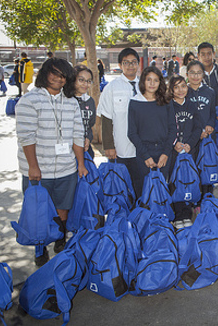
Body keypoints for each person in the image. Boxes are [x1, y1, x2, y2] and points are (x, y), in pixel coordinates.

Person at [15, 58, 87, 266]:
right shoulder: (29, 100)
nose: (58, 78)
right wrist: (33, 166)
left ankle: (59, 238)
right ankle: (39, 248)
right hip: (39, 170)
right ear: (44, 73)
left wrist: (80, 164)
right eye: (54, 73)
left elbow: (77, 134)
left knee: (63, 207)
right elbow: (26, 137)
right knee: (39, 211)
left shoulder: (71, 102)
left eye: (63, 75)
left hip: (66, 167)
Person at [97, 48, 143, 198]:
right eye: (126, 63)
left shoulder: (145, 85)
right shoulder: (112, 88)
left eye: (134, 62)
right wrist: (108, 146)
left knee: (141, 185)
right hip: (121, 148)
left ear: (138, 64)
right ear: (120, 64)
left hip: (143, 148)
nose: (130, 66)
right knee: (122, 186)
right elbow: (106, 117)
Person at [127, 66, 176, 195]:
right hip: (144, 153)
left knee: (162, 190)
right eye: (149, 79)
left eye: (156, 80)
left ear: (160, 82)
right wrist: (146, 156)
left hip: (164, 151)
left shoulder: (166, 101)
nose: (152, 83)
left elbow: (173, 129)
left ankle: (163, 215)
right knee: (146, 191)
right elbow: (132, 133)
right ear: (143, 81)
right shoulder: (135, 102)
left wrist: (165, 153)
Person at [168, 75, 202, 228]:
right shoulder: (168, 106)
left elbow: (197, 128)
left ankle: (187, 213)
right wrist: (174, 143)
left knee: (187, 182)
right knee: (175, 182)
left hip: (189, 152)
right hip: (174, 152)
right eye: (176, 87)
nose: (180, 90)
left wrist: (190, 144)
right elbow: (165, 129)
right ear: (171, 90)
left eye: (183, 86)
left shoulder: (192, 106)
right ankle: (177, 215)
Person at [186, 60, 216, 198]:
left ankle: (207, 199)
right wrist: (197, 132)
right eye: (192, 73)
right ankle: (194, 201)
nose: (195, 76)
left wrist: (210, 125)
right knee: (193, 170)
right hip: (191, 138)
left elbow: (212, 112)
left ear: (203, 74)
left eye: (199, 73)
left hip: (207, 138)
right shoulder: (183, 92)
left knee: (207, 168)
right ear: (187, 74)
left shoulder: (209, 91)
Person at [65, 65, 97, 159]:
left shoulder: (90, 101)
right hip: (68, 151)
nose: (85, 84)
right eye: (81, 80)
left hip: (86, 149)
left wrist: (88, 139)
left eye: (88, 81)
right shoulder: (65, 100)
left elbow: (90, 125)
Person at [198, 42, 218, 110]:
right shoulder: (195, 77)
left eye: (209, 54)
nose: (206, 57)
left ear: (213, 54)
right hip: (203, 117)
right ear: (198, 56)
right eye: (203, 54)